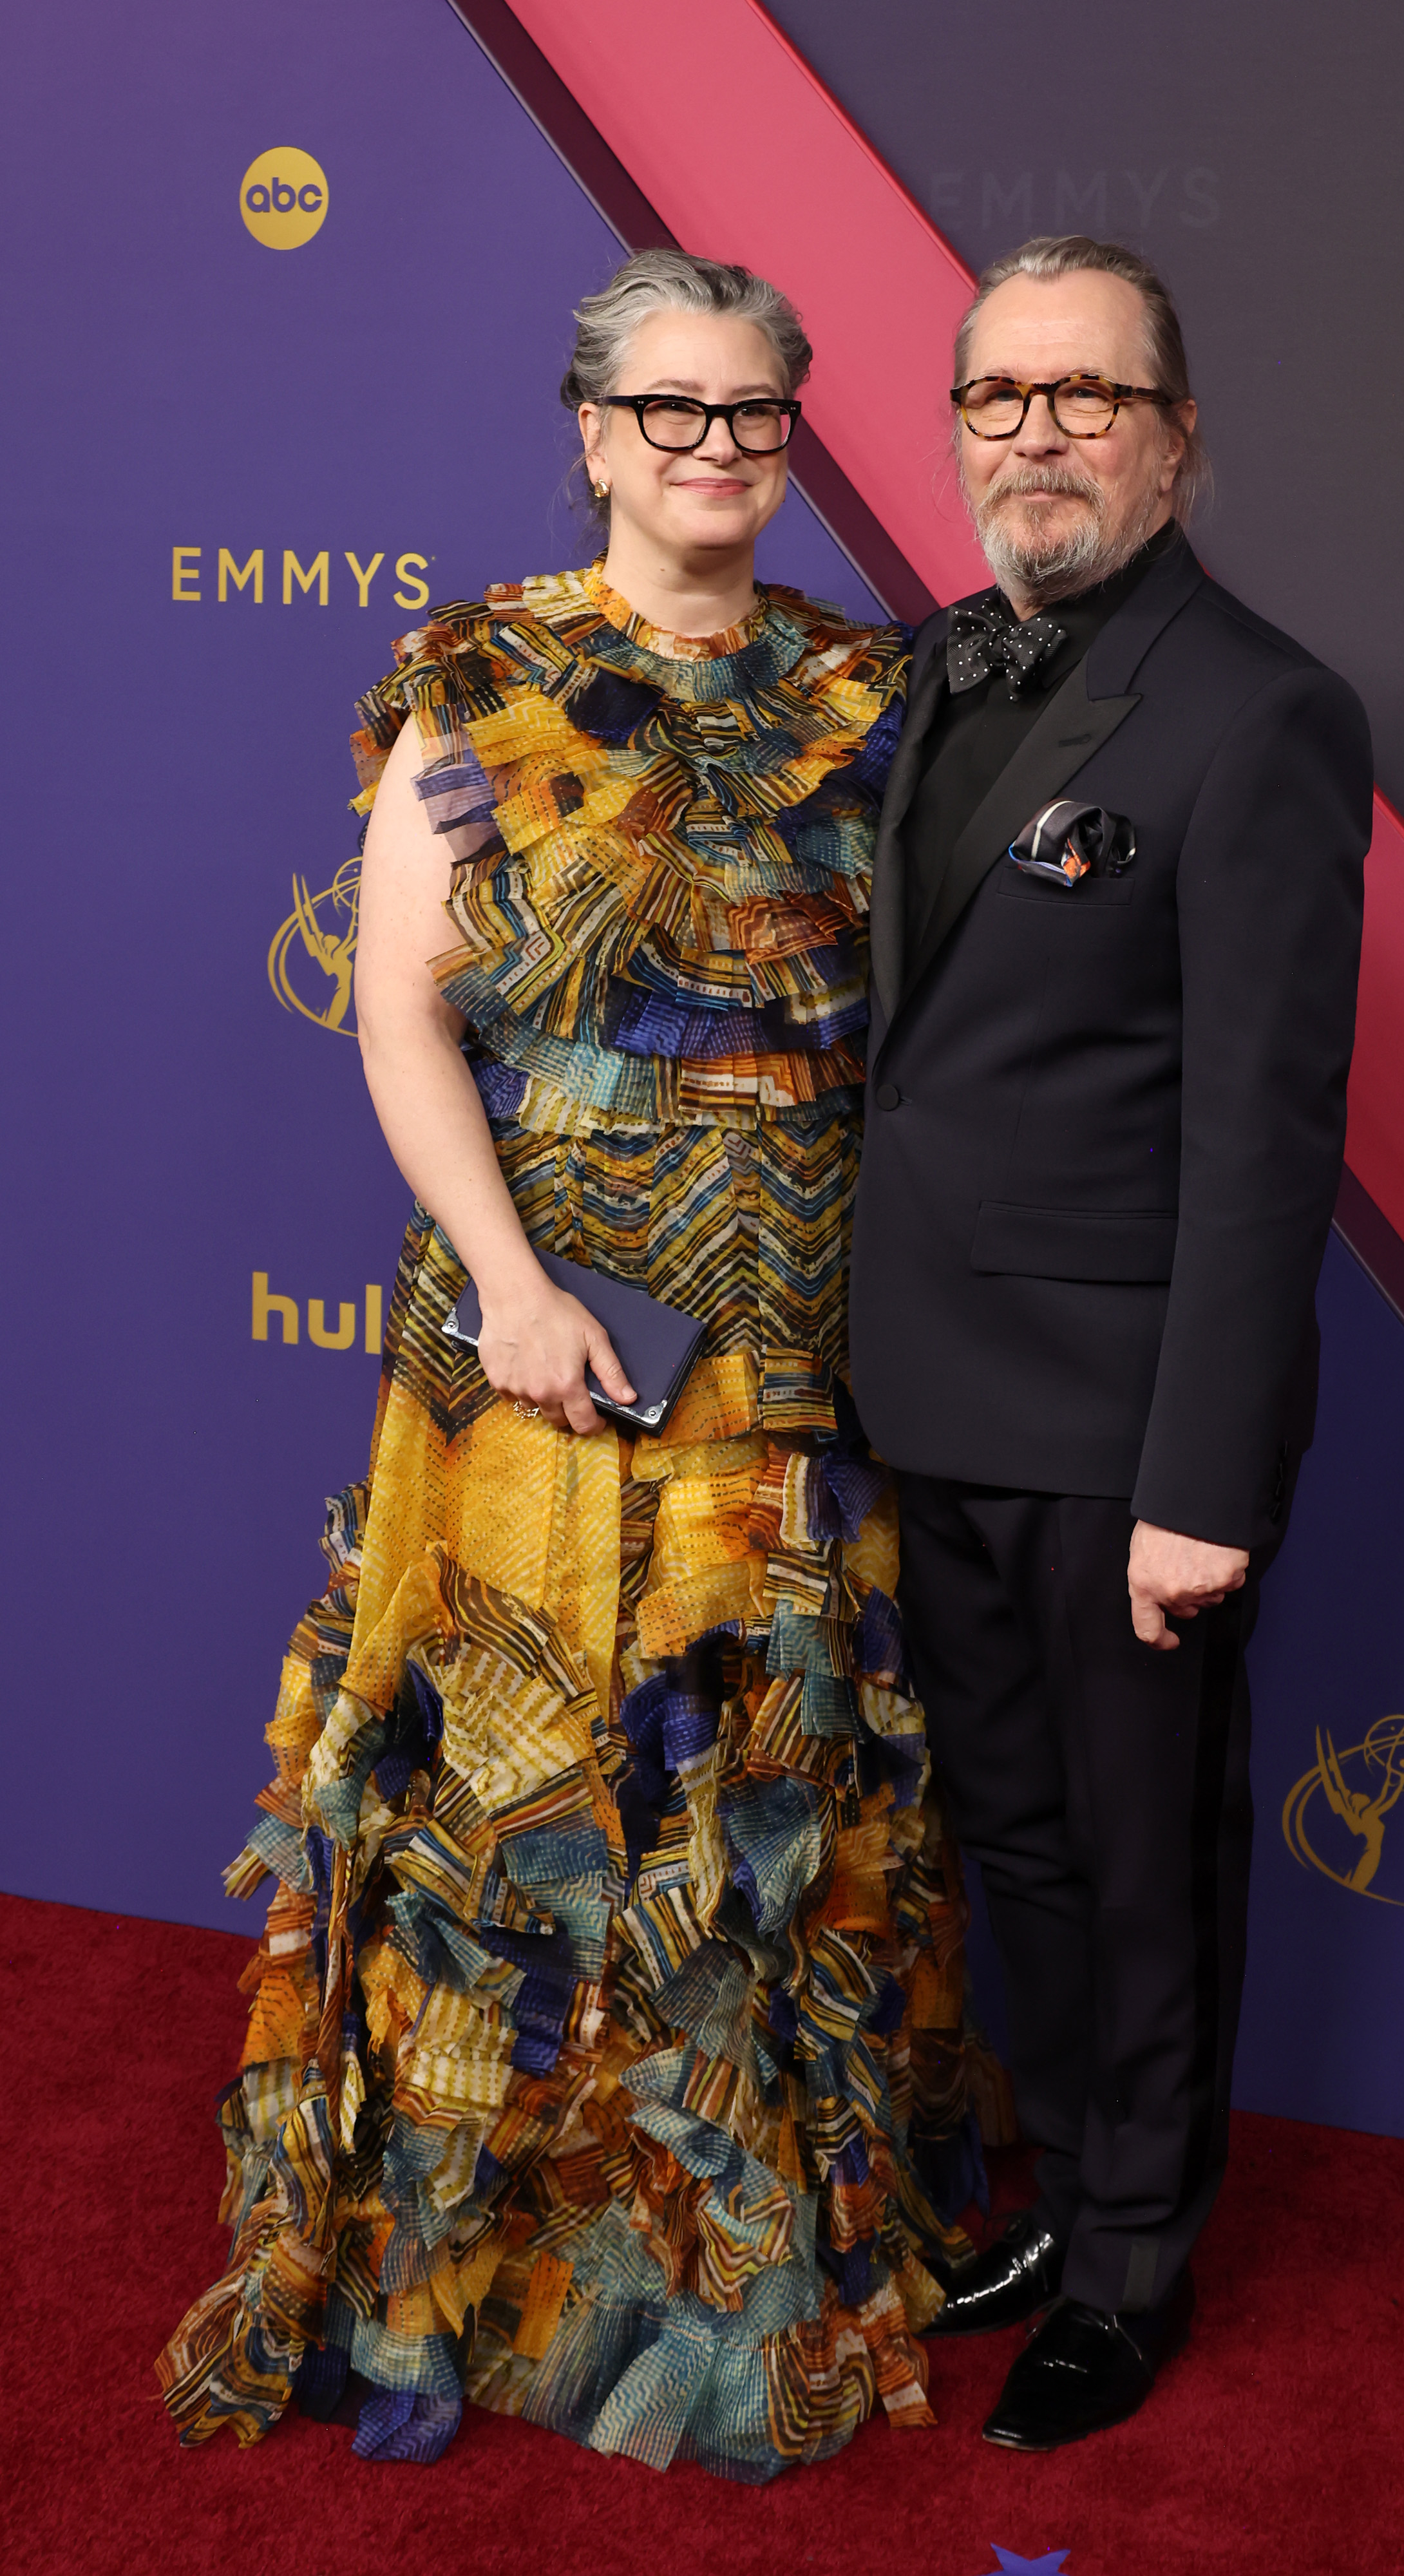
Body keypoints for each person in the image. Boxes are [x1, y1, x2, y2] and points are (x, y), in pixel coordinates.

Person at [157, 249, 991, 2483]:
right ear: (593, 430)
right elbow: (404, 1011)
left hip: (793, 1333)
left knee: (758, 1781)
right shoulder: (484, 674)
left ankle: (737, 2245)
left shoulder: (865, 688)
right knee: (511, 1795)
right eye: (674, 411)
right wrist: (514, 1283)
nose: (717, 450)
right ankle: (476, 2249)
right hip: (531, 1319)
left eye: (756, 414)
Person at [848, 234, 1372, 2453]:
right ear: (954, 424)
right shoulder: (934, 669)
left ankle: (1139, 2268)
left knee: (1141, 1863)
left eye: (1087, 394)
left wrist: (1199, 1485)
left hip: (1120, 1432)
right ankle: (1070, 2196)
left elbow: (1263, 1145)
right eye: (998, 396)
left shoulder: (1261, 710)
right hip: (931, 1399)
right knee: (1021, 1847)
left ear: (1174, 441)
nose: (1035, 432)